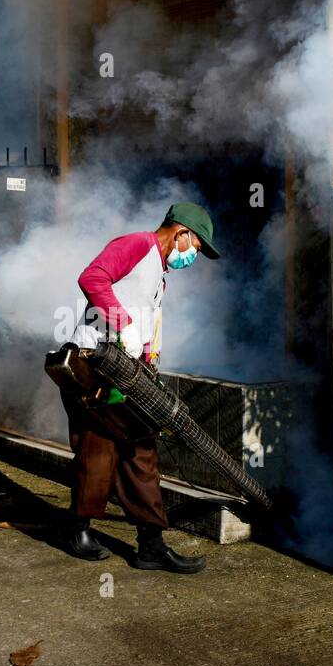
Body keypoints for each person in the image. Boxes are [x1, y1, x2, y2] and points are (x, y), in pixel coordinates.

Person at [61, 201, 220, 574]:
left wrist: (148, 360)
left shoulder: (160, 273)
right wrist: (122, 322)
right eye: (195, 248)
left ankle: (151, 544)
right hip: (93, 365)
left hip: (128, 373)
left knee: (140, 451)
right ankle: (77, 529)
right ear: (181, 233)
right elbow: (91, 278)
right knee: (98, 449)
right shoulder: (137, 245)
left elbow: (145, 329)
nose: (192, 258)